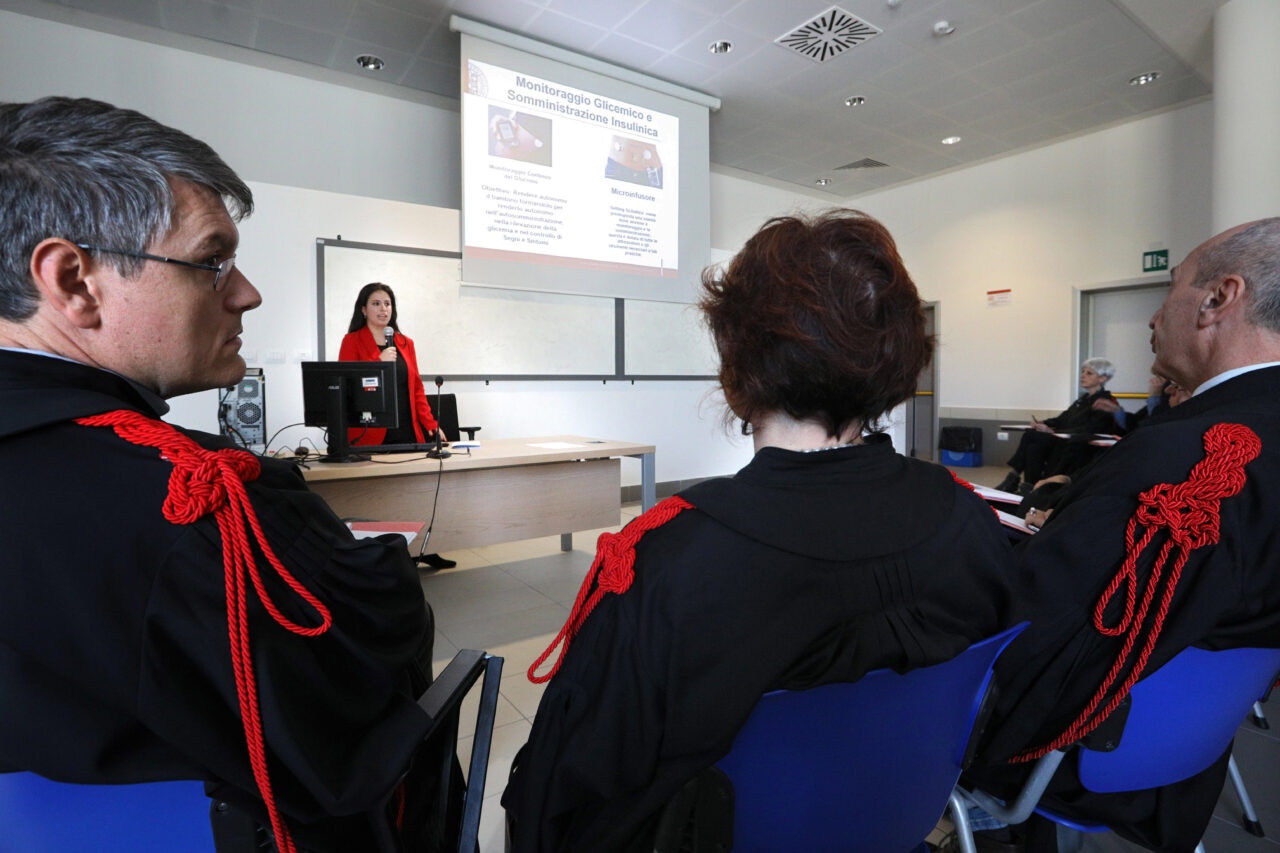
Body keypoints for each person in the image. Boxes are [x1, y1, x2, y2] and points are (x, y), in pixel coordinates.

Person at [0, 97, 443, 852]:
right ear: (74, 281)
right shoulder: (202, 507)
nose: (246, 292)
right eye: (211, 261)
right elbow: (351, 713)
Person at [501, 209, 1017, 852]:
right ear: (896, 359)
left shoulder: (663, 565)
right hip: (896, 827)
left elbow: (560, 796)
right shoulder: (968, 518)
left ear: (737, 366)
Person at [968, 217, 1280, 852]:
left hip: (1080, 754)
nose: (1152, 318)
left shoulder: (1185, 457)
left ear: (1220, 299)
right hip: (1191, 750)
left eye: (1171, 289)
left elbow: (1038, 639)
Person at [338, 283, 456, 570]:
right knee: (382, 493)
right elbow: (346, 386)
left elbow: (416, 387)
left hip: (407, 426)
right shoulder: (352, 340)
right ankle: (386, 555)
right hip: (373, 431)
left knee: (416, 489)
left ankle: (425, 549)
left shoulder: (404, 343)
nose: (383, 309)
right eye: (376, 304)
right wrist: (376, 363)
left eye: (387, 304)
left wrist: (432, 424)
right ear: (363, 309)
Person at [995, 358, 1119, 493]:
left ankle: (1019, 480)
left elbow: (1090, 428)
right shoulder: (1082, 400)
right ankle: (1027, 483)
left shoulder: (1105, 402)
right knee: (1032, 435)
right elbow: (1062, 419)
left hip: (1080, 444)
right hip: (1064, 437)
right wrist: (1043, 424)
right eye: (1083, 372)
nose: (1082, 375)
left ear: (1102, 378)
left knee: (1036, 438)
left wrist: (1053, 431)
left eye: (1089, 373)